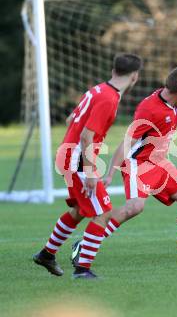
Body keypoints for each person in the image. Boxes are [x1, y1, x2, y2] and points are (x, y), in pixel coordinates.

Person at [73, 66, 177, 264]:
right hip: (139, 163)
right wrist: (110, 174)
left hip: (160, 162)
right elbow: (126, 143)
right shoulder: (149, 110)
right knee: (134, 207)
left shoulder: (172, 100)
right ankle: (86, 244)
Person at [33, 53, 142, 278]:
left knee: (80, 211)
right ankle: (82, 270)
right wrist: (91, 172)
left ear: (114, 71)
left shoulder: (97, 89)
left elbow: (70, 120)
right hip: (78, 161)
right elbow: (85, 136)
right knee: (103, 213)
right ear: (135, 77)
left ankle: (46, 254)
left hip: (70, 157)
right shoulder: (109, 98)